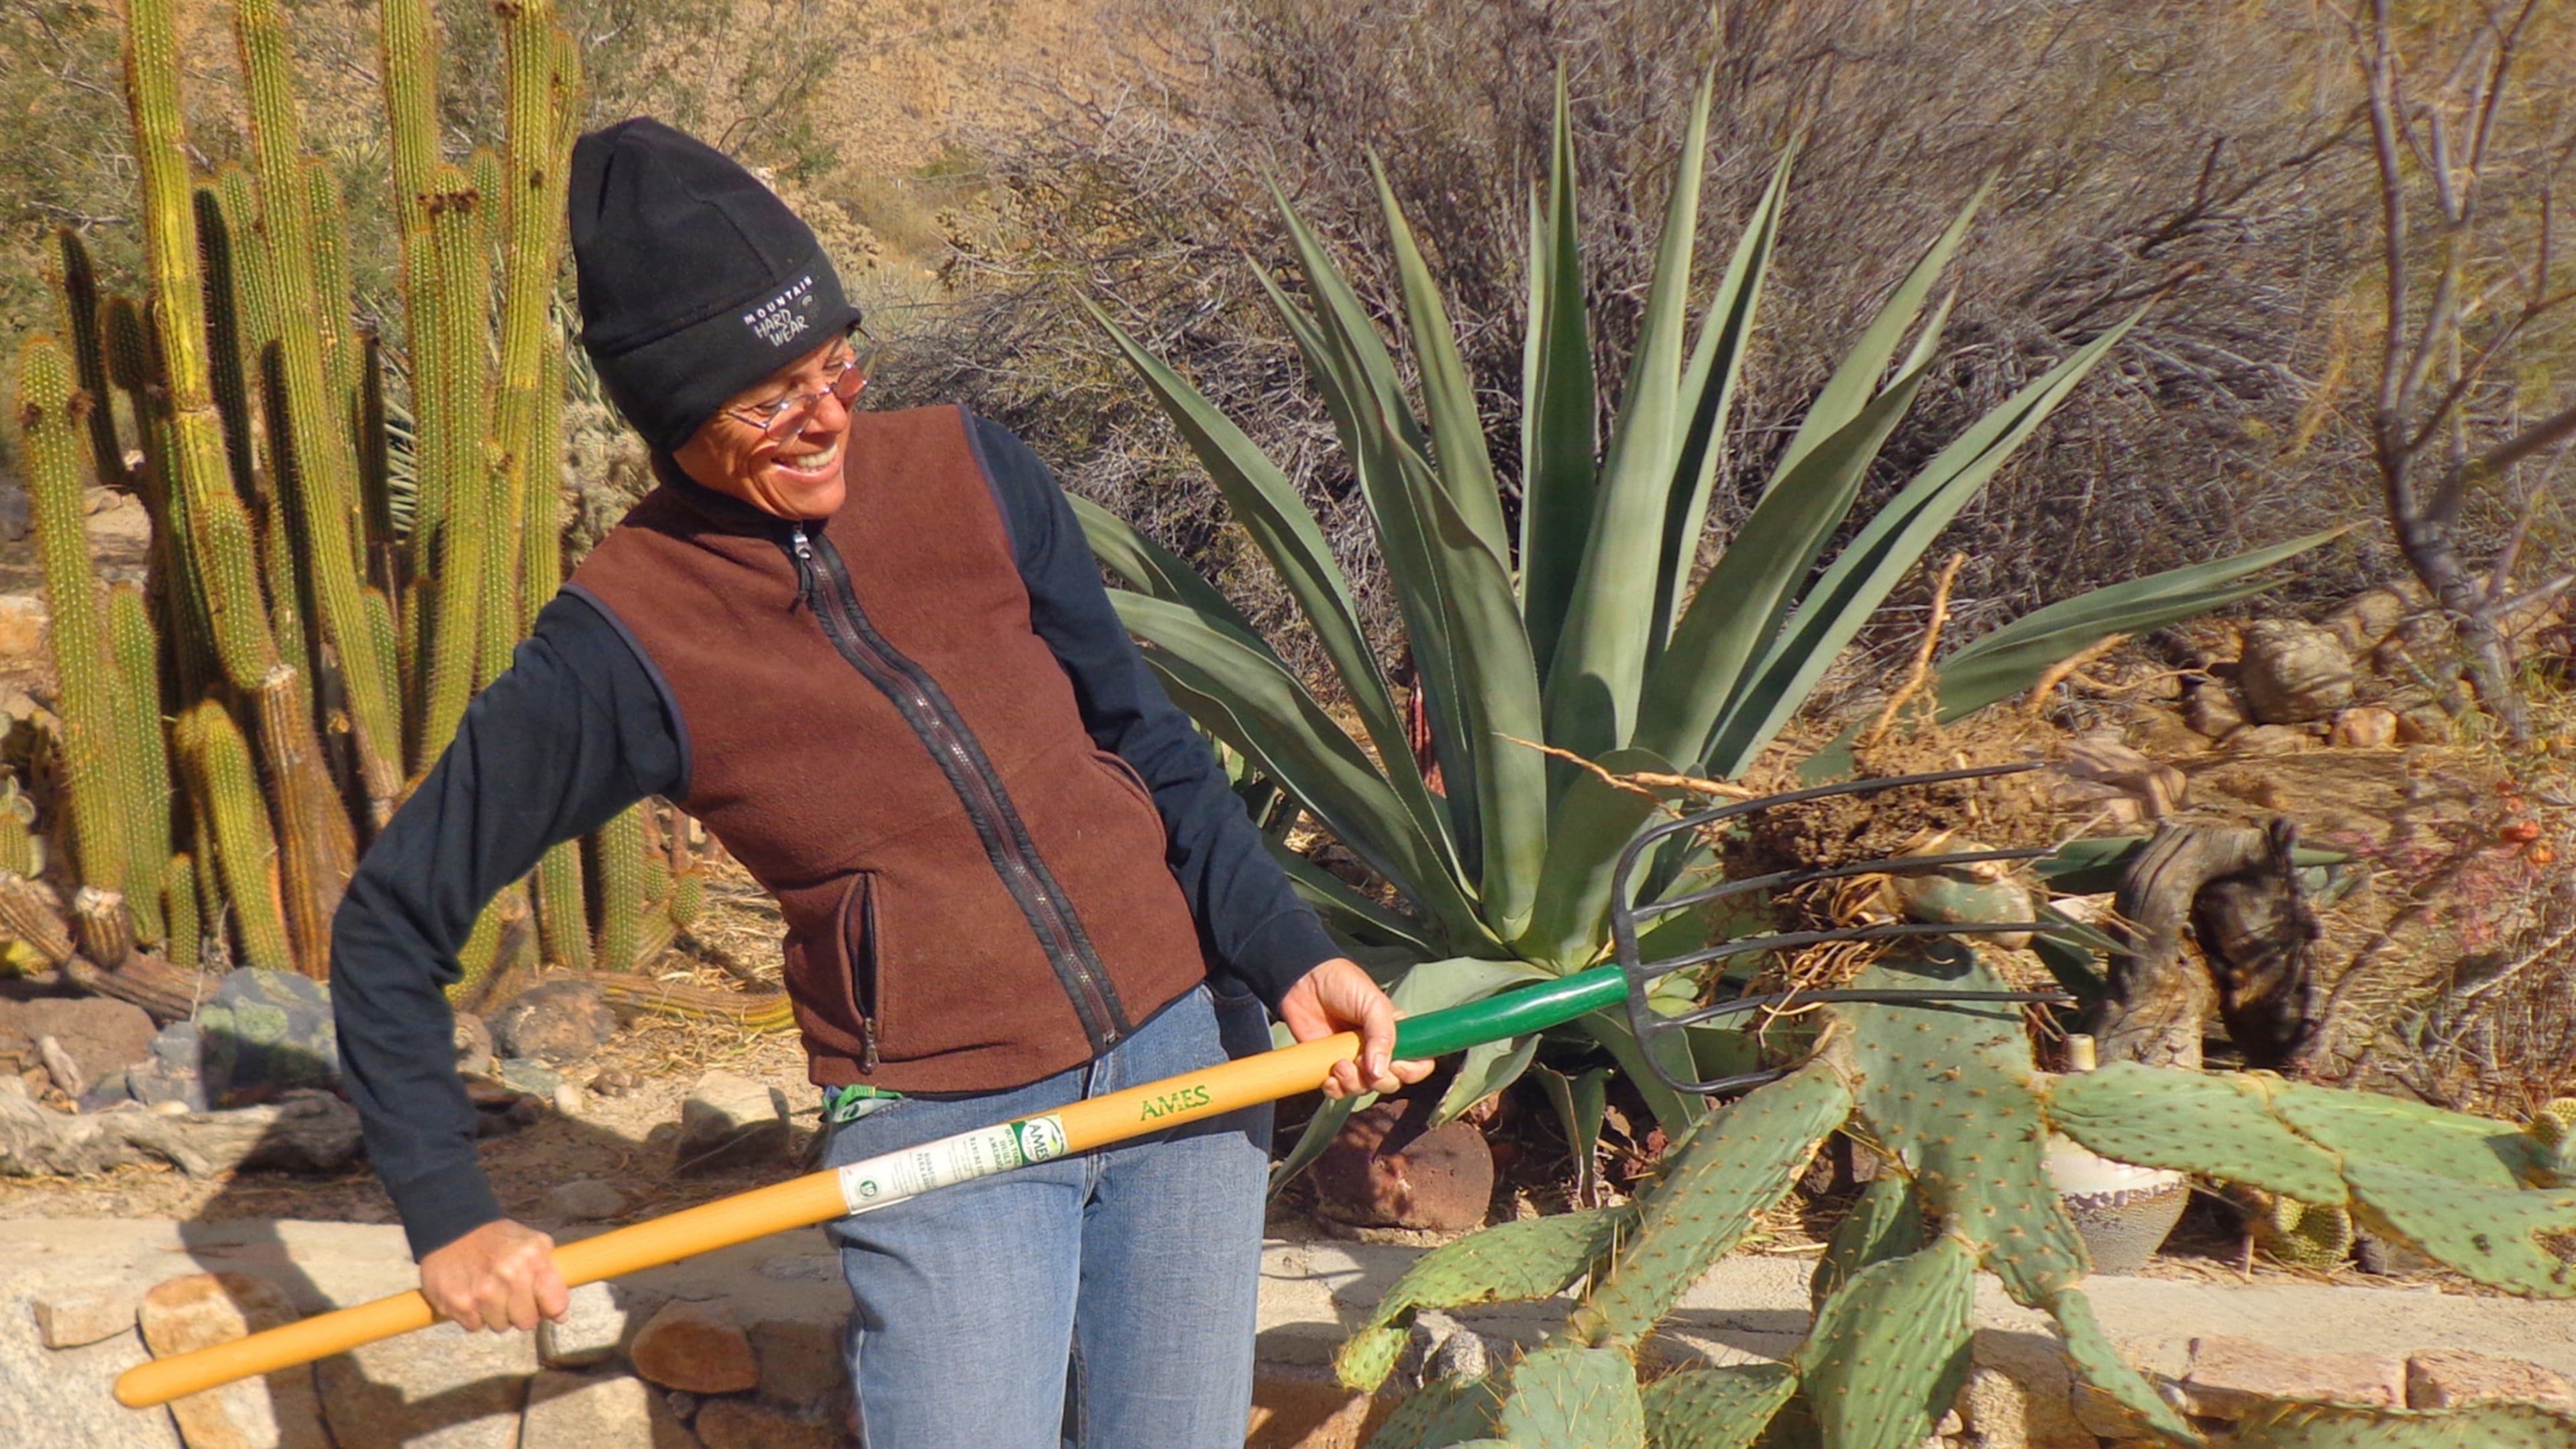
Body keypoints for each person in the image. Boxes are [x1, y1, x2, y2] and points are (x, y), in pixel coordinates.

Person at [329, 116, 1430, 1448]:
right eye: (769, 399)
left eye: (836, 364)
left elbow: (1147, 743)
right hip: (942, 1131)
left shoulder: (972, 469)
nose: (827, 417)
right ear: (668, 414)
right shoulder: (623, 643)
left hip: (1187, 1056)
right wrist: (451, 1213)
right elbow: (392, 919)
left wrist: (1291, 954)